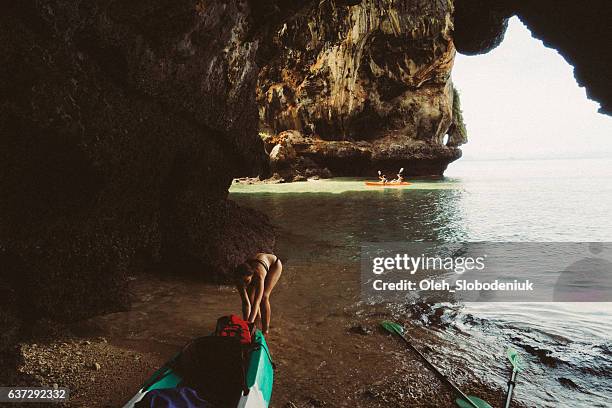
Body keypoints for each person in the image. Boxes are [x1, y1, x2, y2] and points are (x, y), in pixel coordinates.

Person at [234, 253, 282, 334]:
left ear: (252, 276)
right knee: (250, 299)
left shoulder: (258, 276)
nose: (245, 285)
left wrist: (248, 325)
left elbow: (257, 303)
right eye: (243, 282)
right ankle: (255, 327)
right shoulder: (239, 280)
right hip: (255, 263)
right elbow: (246, 303)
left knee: (264, 297)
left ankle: (265, 331)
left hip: (274, 265)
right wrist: (246, 324)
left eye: (247, 281)